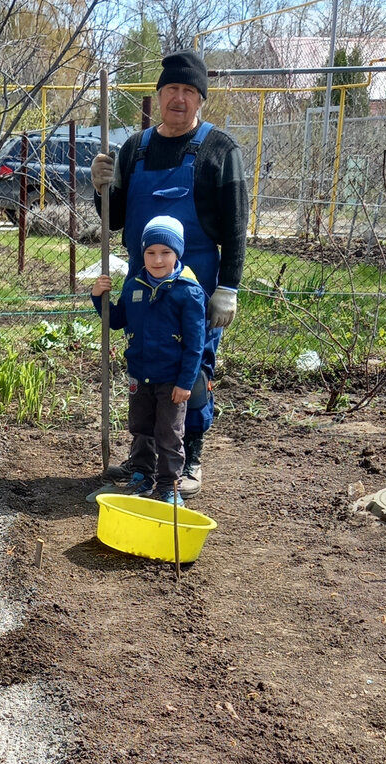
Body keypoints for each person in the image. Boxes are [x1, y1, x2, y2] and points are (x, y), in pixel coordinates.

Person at [92, 49, 248, 497]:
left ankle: (188, 458)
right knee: (145, 369)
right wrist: (101, 186)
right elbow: (114, 218)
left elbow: (236, 226)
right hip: (142, 287)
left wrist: (228, 289)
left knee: (191, 372)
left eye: (189, 91)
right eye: (171, 90)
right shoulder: (135, 148)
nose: (178, 98)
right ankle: (143, 460)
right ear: (158, 96)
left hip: (192, 291)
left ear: (201, 100)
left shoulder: (219, 150)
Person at [90, 215, 206, 505]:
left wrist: (185, 382)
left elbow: (195, 344)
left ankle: (169, 486)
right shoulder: (134, 286)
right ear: (142, 253)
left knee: (169, 434)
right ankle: (141, 475)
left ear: (177, 252)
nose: (157, 260)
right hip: (139, 375)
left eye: (165, 252)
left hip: (171, 380)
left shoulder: (188, 292)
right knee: (141, 428)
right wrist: (98, 298)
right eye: (150, 252)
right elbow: (116, 320)